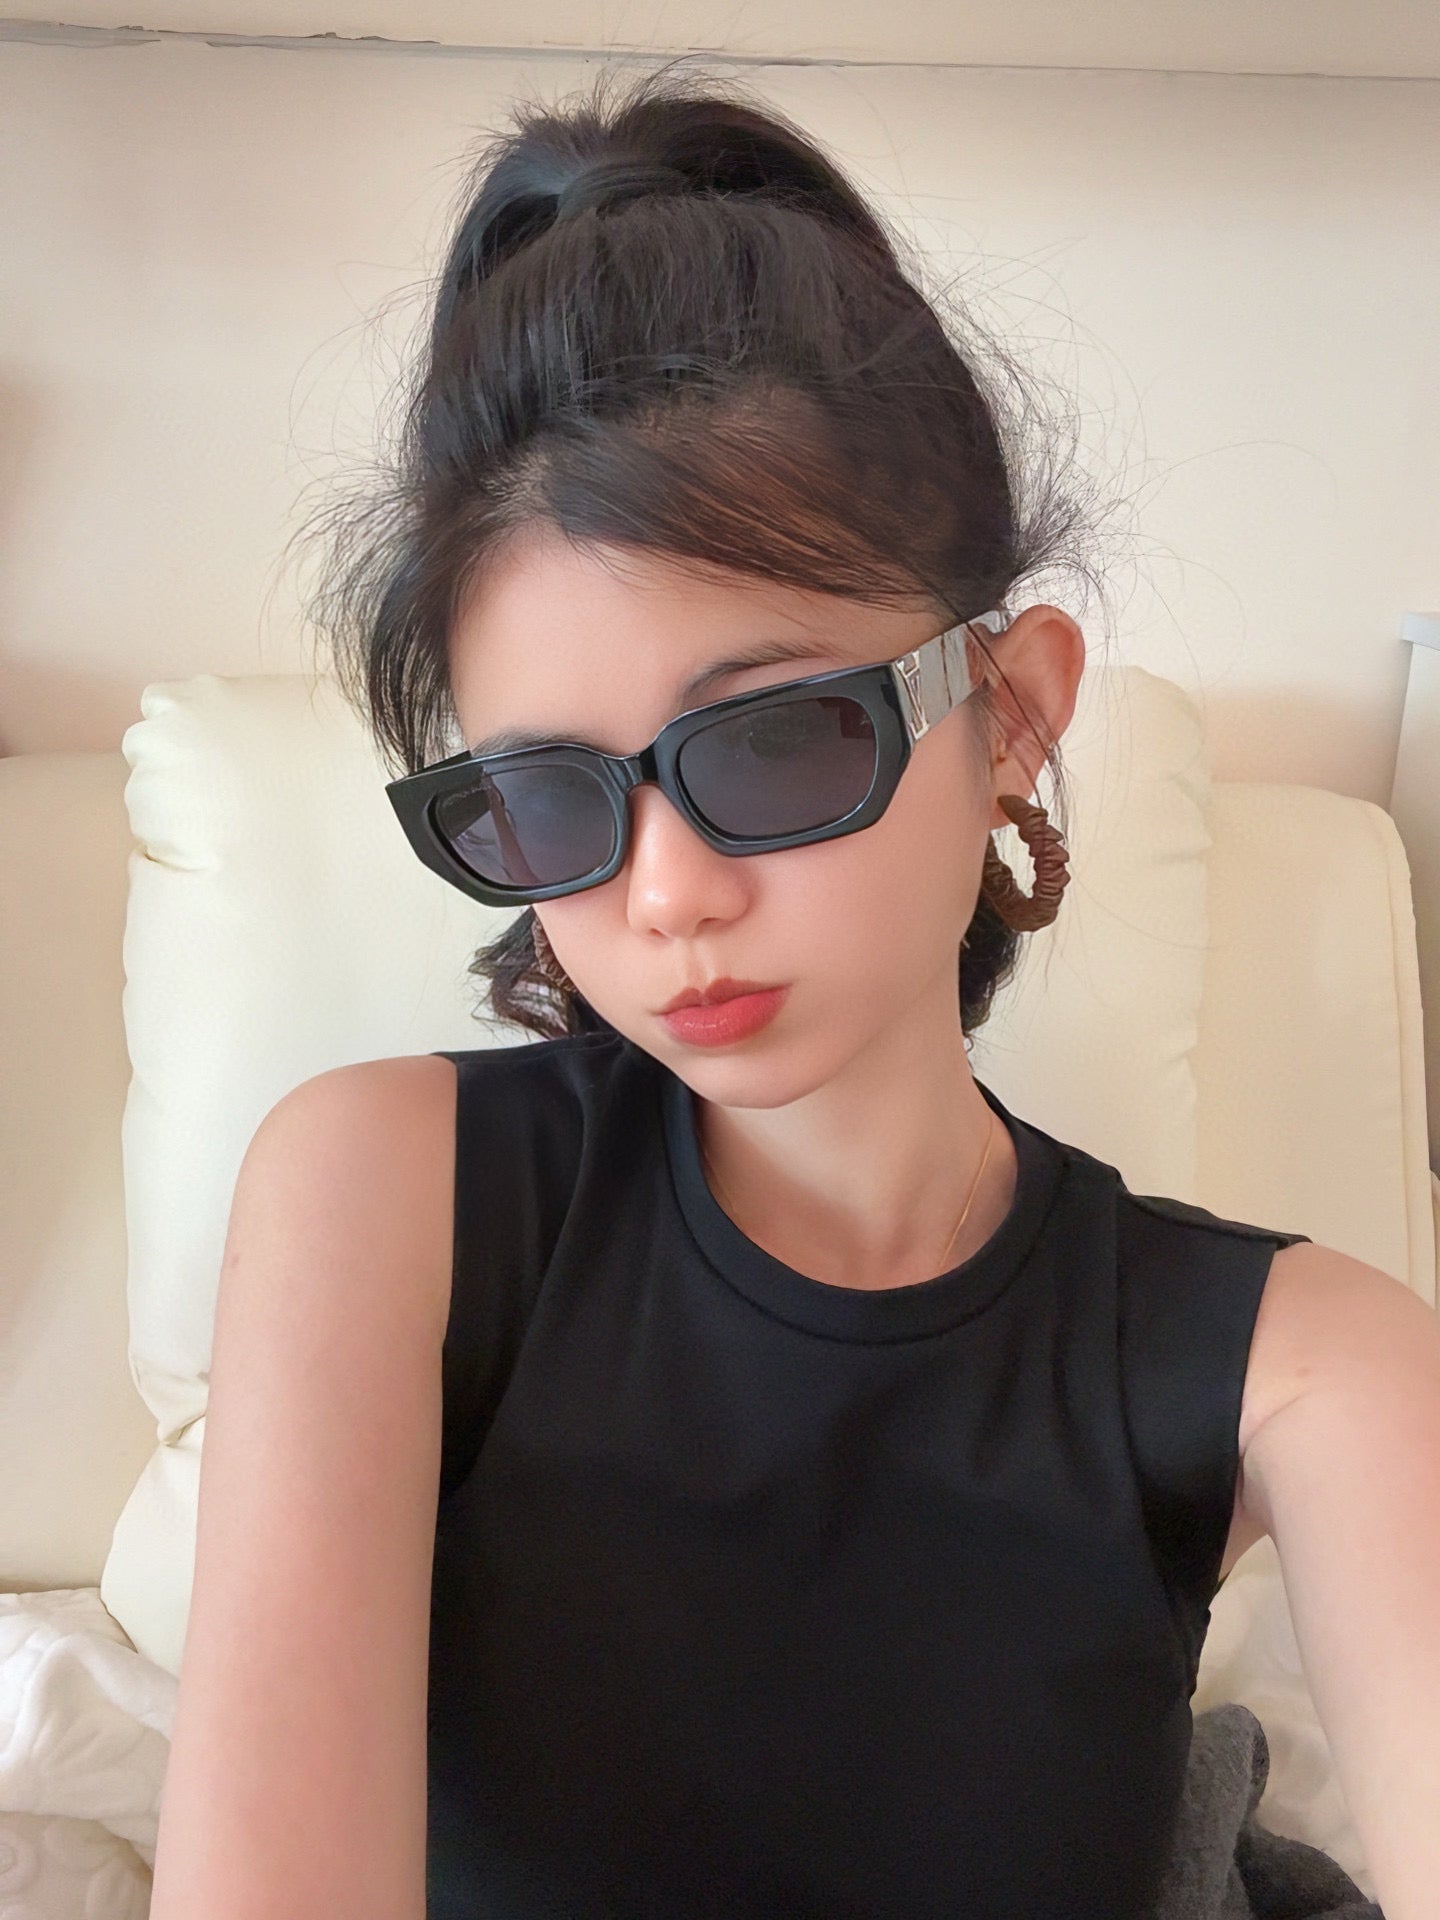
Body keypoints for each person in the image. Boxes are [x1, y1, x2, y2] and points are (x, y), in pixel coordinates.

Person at [148, 61, 1437, 1920]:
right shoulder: (388, 1191)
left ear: (1011, 712)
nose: (667, 894)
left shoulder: (1306, 1360)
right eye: (553, 797)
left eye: (770, 741)